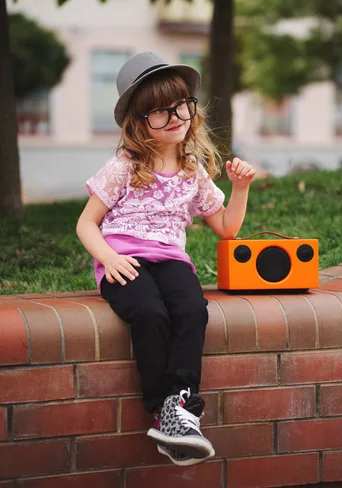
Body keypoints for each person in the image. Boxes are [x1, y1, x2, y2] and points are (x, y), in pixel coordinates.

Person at [76, 51, 255, 466]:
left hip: (171, 260)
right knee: (150, 312)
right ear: (138, 123)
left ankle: (182, 406)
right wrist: (108, 258)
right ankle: (164, 409)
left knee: (192, 309)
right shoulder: (125, 165)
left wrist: (241, 188)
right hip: (124, 259)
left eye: (180, 105)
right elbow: (86, 224)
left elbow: (227, 228)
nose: (175, 116)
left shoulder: (194, 170)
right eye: (159, 111)